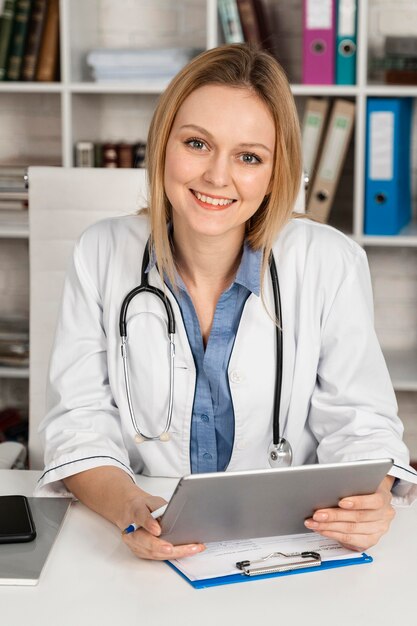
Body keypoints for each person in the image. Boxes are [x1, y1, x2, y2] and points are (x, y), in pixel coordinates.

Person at [35, 44, 417, 560]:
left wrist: (367, 503)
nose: (218, 176)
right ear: (162, 145)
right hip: (136, 534)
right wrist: (130, 510)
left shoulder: (330, 261)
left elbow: (362, 425)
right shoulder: (100, 251)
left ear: (274, 172)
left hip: (293, 540)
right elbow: (79, 423)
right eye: (197, 143)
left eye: (249, 157)